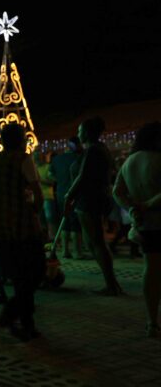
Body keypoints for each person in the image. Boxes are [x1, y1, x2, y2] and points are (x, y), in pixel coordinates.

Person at [0, 123, 45, 341]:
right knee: (34, 273)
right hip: (21, 224)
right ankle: (14, 316)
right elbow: (37, 191)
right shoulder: (23, 159)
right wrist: (36, 212)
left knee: (18, 276)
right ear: (20, 139)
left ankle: (25, 322)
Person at [113, 122, 161, 336]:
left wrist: (132, 209)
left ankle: (152, 321)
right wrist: (148, 204)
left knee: (151, 270)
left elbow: (117, 191)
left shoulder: (129, 162)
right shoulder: (159, 159)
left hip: (145, 226)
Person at [65, 117, 123, 296]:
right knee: (93, 242)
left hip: (90, 200)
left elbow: (82, 176)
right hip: (93, 198)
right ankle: (111, 283)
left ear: (88, 132)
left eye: (80, 130)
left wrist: (69, 196)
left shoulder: (93, 151)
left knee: (97, 242)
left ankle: (111, 284)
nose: (78, 133)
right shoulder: (99, 149)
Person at [49, 137, 83, 258]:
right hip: (74, 194)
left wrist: (60, 181)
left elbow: (50, 174)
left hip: (60, 193)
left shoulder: (57, 159)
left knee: (64, 221)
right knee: (75, 223)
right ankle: (77, 252)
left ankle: (65, 251)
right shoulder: (79, 158)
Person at [34, 151, 57, 240]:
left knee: (50, 218)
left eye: (37, 157)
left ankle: (53, 238)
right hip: (38, 197)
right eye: (35, 157)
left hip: (48, 197)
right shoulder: (34, 169)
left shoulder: (48, 167)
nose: (36, 159)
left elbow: (52, 182)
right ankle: (45, 238)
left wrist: (39, 181)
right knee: (41, 219)